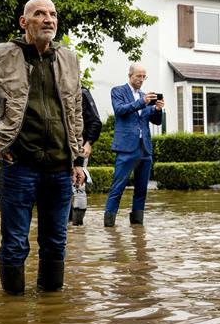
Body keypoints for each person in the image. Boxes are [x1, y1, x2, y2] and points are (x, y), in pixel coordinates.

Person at [0, 0, 86, 295]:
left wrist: (78, 161)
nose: (49, 19)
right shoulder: (0, 55)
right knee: (14, 243)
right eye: (40, 14)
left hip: (60, 169)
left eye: (53, 14)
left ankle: (50, 317)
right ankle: (12, 315)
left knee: (55, 242)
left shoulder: (70, 59)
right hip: (18, 165)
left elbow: (75, 111)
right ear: (24, 22)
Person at [104, 63, 164, 227]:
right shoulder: (118, 91)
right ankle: (109, 225)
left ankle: (137, 225)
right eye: (139, 76)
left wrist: (158, 110)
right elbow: (120, 110)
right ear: (130, 75)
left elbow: (156, 122)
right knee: (118, 187)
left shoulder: (146, 96)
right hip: (125, 148)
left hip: (144, 148)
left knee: (141, 189)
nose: (142, 79)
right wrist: (142, 102)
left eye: (144, 76)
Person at [69, 87, 102, 225]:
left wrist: (88, 143)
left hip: (79, 147)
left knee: (78, 186)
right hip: (58, 148)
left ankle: (77, 226)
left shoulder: (83, 93)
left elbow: (96, 122)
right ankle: (66, 223)